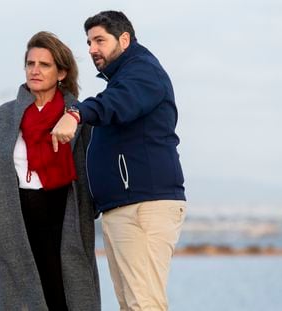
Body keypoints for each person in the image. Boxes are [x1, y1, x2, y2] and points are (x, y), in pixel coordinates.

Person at [51, 11, 186, 311]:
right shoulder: (124, 77)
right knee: (131, 304)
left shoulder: (142, 72)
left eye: (99, 40)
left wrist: (75, 113)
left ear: (124, 39)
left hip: (143, 206)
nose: (91, 49)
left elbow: (116, 104)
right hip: (125, 206)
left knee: (143, 304)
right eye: (88, 42)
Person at [0, 31, 100, 311]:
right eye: (31, 64)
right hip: (14, 216)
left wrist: (91, 207)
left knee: (65, 295)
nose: (35, 70)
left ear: (62, 73)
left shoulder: (78, 116)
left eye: (44, 65)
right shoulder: (4, 116)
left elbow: (95, 168)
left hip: (64, 213)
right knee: (20, 298)